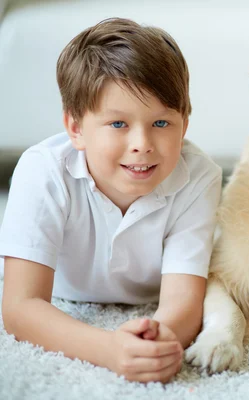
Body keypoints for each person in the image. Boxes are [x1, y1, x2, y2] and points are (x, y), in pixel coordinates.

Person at [0, 18, 221, 384]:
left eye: (162, 123)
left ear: (185, 122)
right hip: (66, 292)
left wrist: (159, 341)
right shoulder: (43, 171)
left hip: (151, 300)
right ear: (75, 129)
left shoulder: (200, 176)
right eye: (118, 124)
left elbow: (184, 301)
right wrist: (109, 350)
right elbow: (20, 308)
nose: (142, 143)